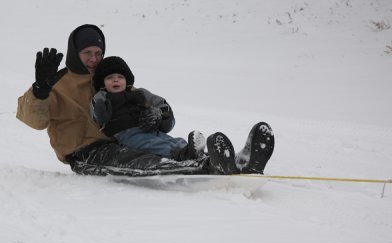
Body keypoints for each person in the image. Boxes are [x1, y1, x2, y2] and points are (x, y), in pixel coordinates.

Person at [16, 24, 275, 177]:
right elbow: (34, 121)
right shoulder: (55, 83)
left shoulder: (108, 78)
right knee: (135, 160)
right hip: (86, 154)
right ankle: (205, 169)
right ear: (75, 52)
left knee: (163, 144)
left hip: (125, 138)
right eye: (87, 53)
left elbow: (151, 106)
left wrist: (158, 116)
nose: (94, 59)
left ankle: (234, 162)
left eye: (98, 52)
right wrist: (40, 89)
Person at [89, 56, 205, 162]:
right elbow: (97, 116)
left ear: (126, 80)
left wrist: (160, 113)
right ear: (102, 82)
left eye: (120, 77)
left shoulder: (138, 93)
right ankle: (181, 155)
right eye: (110, 78)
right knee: (151, 144)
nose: (116, 80)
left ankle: (194, 151)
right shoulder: (102, 96)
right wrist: (101, 110)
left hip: (148, 128)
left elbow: (159, 102)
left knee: (171, 140)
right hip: (126, 134)